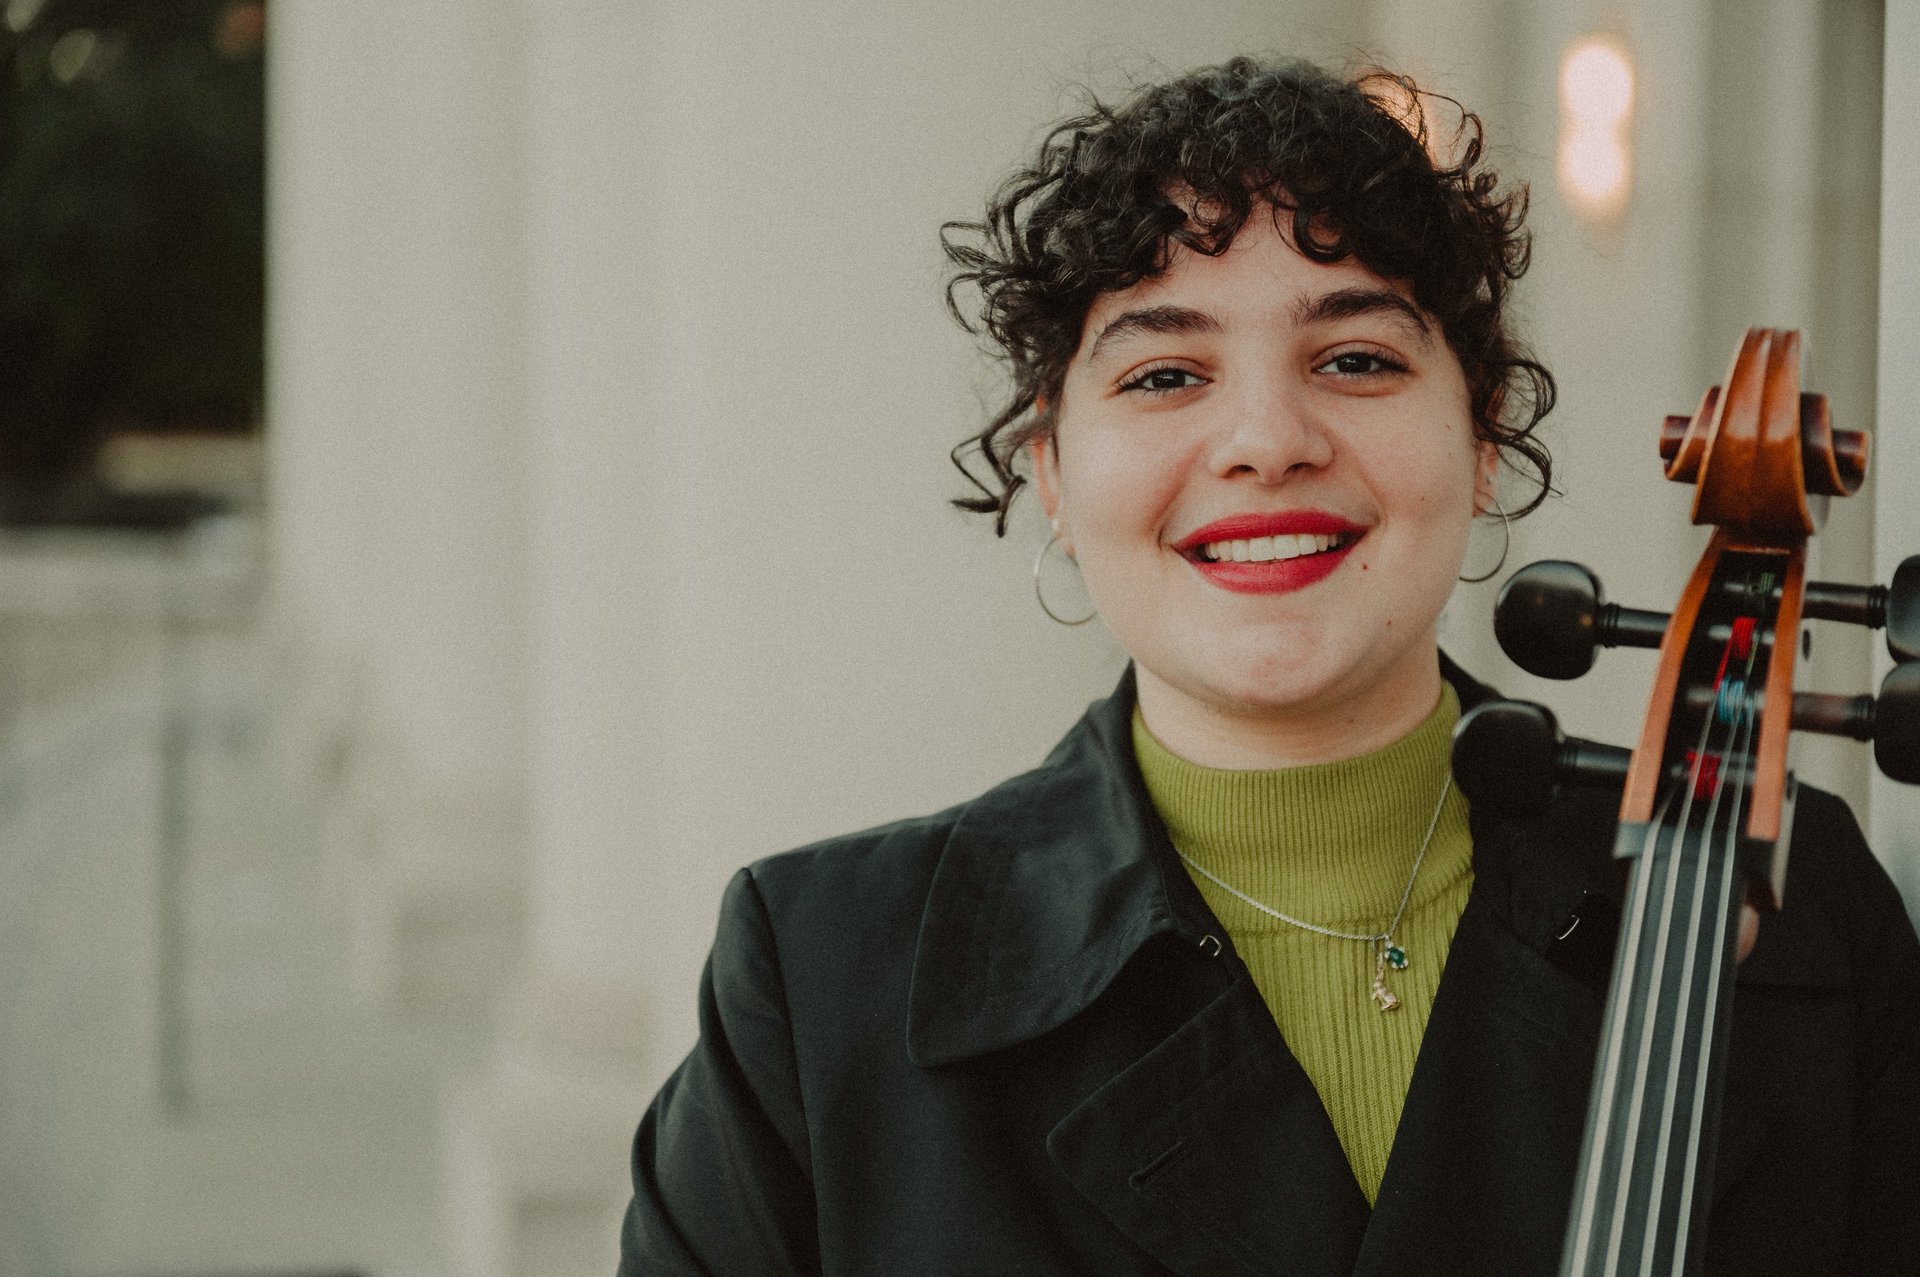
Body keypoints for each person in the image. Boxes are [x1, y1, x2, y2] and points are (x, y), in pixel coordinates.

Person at [618, 57, 1920, 1275]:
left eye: (1354, 358)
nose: (1265, 438)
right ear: (1054, 474)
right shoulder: (817, 979)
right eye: (1166, 371)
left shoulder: (1805, 927)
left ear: (1481, 434)